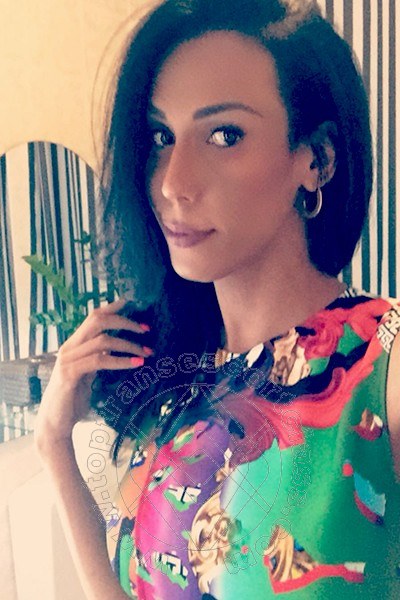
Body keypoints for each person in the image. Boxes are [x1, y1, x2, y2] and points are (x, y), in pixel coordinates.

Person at [35, 0, 400, 598]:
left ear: (317, 159)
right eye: (161, 137)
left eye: (225, 135)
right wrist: (53, 442)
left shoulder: (381, 367)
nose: (173, 182)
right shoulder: (180, 379)